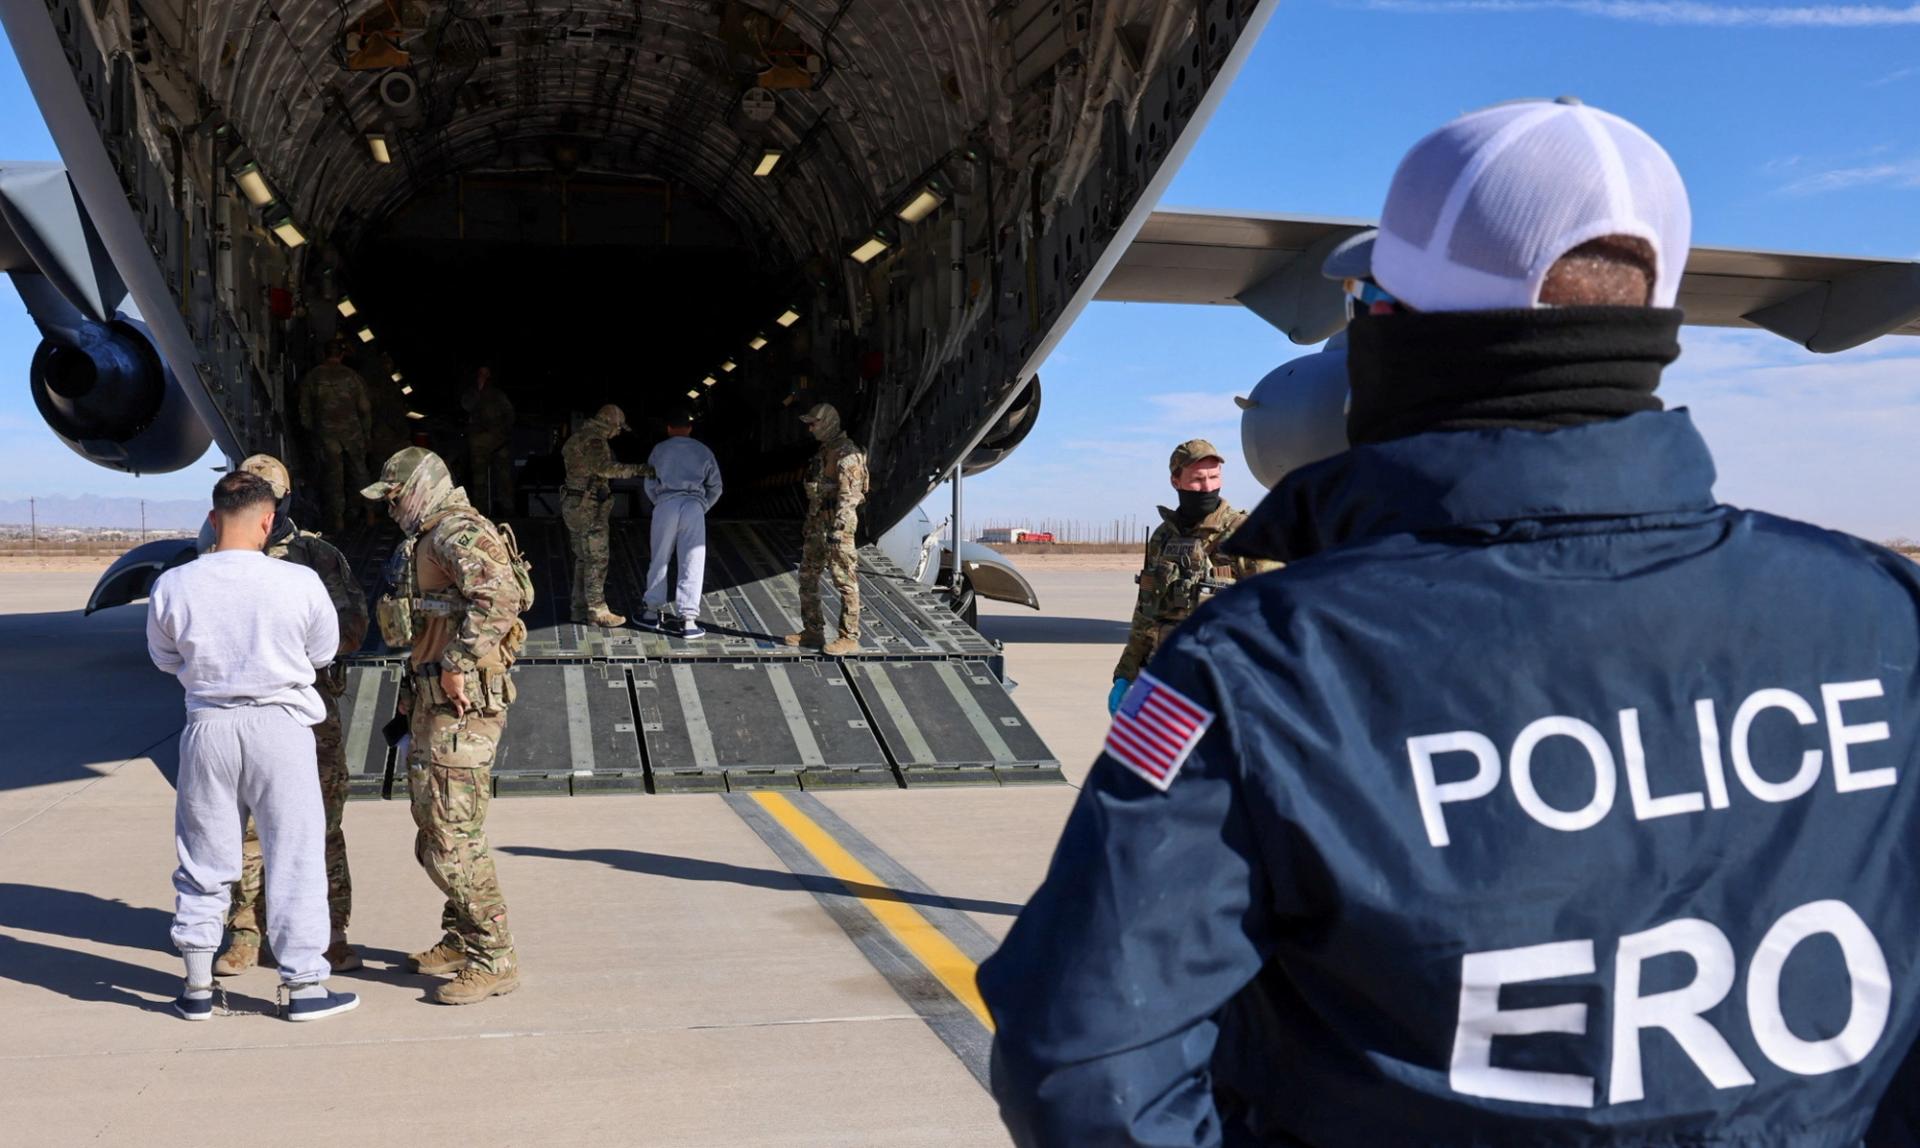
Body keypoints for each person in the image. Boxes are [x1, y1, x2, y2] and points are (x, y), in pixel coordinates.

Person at [979, 98, 1920, 1146]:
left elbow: (1082, 1060)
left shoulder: (1270, 670)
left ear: (1394, 330)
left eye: (1366, 295)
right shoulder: (1879, 613)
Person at [147, 471, 359, 1022]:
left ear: (214, 519)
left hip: (208, 729)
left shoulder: (174, 584)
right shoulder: (299, 582)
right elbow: (322, 654)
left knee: (204, 856)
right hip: (280, 728)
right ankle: (304, 986)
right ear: (268, 521)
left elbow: (166, 659)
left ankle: (196, 985)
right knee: (294, 853)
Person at [362, 447, 528, 1005]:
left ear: (423, 486)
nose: (391, 509)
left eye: (395, 497)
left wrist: (458, 661)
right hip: (432, 700)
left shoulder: (456, 531)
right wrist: (414, 693)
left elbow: (500, 595)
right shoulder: (431, 535)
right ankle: (461, 937)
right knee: (434, 830)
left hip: (462, 709)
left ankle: (494, 956)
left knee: (453, 838)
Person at [191, 455, 368, 976]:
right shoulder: (211, 555)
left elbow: (351, 629)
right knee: (241, 831)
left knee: (321, 826)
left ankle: (330, 932)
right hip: (236, 715)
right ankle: (246, 932)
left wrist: (286, 644)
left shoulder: (316, 557)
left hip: (308, 713)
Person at [1107, 439, 1281, 714]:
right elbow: (1145, 613)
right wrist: (1125, 673)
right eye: (1198, 479)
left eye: (1214, 477)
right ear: (1176, 482)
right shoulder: (1163, 537)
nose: (1208, 487)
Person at [785, 402, 867, 656]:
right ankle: (813, 631)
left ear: (829, 422)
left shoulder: (847, 453)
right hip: (817, 525)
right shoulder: (824, 452)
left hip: (836, 528)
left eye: (814, 424)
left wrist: (839, 530)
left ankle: (849, 636)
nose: (810, 429)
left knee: (845, 580)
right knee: (808, 577)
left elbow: (850, 497)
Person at [560, 404, 652, 627]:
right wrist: (641, 470)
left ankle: (578, 608)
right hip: (588, 506)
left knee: (583, 557)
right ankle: (597, 610)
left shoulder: (577, 437)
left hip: (573, 503)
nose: (618, 433)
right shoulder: (595, 440)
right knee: (597, 558)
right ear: (610, 424)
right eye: (618, 428)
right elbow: (604, 469)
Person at [639, 409, 723, 639]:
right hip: (694, 506)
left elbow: (649, 481)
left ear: (668, 428)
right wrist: (702, 505)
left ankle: (651, 612)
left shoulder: (659, 450)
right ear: (689, 428)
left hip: (667, 503)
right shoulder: (703, 450)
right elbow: (716, 486)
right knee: (692, 560)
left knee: (660, 558)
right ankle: (688, 621)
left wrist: (661, 502)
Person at [297, 339, 374, 534]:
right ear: (341, 354)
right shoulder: (352, 377)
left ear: (324, 354)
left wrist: (313, 433)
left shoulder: (313, 377)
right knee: (360, 472)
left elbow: (304, 412)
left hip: (327, 435)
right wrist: (366, 433)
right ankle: (370, 513)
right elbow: (365, 408)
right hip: (352, 433)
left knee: (334, 477)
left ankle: (338, 519)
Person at [461, 365, 517, 518]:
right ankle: (481, 514)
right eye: (480, 374)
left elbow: (510, 415)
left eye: (486, 374)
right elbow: (466, 406)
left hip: (499, 443)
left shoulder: (498, 395)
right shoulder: (471, 394)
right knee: (479, 482)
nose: (483, 377)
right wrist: (478, 392)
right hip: (479, 444)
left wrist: (502, 434)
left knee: (504, 480)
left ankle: (508, 513)